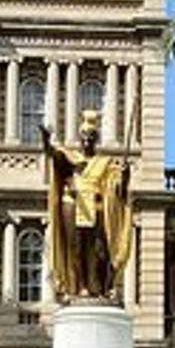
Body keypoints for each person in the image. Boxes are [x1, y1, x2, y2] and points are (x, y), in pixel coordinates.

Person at [40, 110, 134, 300]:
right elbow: (52, 154)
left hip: (96, 206)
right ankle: (80, 286)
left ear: (96, 139)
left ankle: (101, 288)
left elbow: (118, 191)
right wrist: (45, 139)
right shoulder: (71, 158)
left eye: (91, 137)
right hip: (72, 205)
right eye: (84, 137)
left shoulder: (104, 163)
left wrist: (125, 175)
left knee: (100, 249)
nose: (87, 141)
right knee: (76, 247)